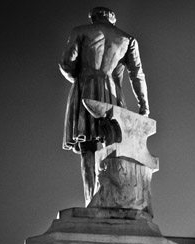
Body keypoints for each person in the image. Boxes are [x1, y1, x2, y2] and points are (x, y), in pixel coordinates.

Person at [59, 7, 150, 205]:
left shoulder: (80, 31)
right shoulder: (126, 39)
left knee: (87, 147)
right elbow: (137, 74)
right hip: (113, 94)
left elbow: (66, 63)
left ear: (93, 18)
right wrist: (144, 106)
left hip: (85, 89)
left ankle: (90, 198)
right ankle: (113, 197)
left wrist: (79, 77)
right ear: (112, 19)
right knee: (115, 146)